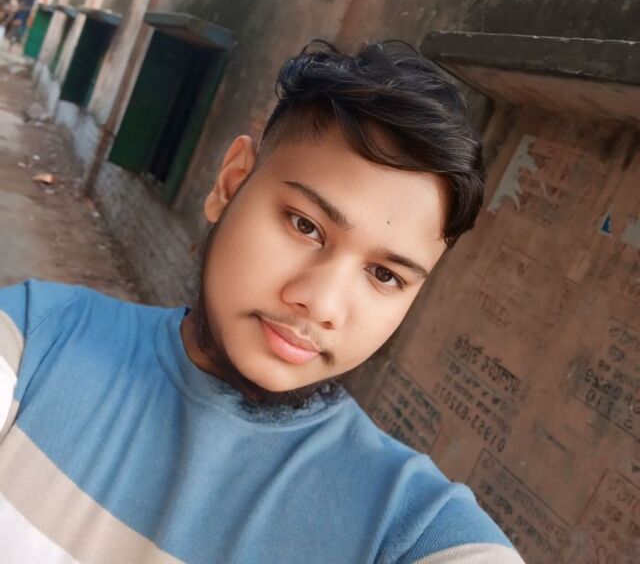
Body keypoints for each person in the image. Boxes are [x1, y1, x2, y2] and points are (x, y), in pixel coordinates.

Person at [0, 41, 525, 563]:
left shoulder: (414, 526)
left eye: (385, 275)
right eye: (306, 226)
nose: (323, 304)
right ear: (230, 185)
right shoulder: (35, 342)